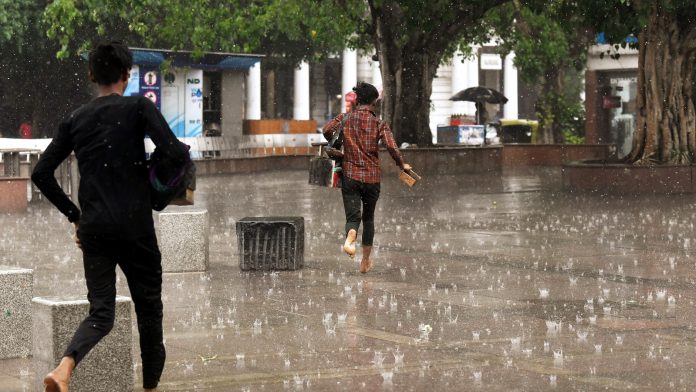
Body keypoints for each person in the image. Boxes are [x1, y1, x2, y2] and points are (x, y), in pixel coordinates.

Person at [31, 42, 189, 392]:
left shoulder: (75, 119)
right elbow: (175, 152)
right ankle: (149, 388)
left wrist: (75, 215)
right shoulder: (137, 108)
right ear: (126, 74)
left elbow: (41, 173)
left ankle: (64, 367)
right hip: (135, 227)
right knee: (149, 311)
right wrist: (161, 188)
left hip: (96, 229)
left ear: (91, 75)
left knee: (101, 313)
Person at [322, 82, 411, 273]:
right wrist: (402, 164)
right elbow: (392, 147)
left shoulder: (345, 118)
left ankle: (351, 235)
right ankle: (365, 261)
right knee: (369, 218)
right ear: (375, 101)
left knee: (353, 216)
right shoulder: (379, 123)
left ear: (358, 100)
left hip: (350, 175)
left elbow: (326, 130)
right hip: (372, 178)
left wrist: (341, 140)